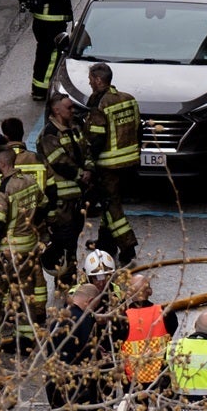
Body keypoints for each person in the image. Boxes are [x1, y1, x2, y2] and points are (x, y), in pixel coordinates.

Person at [45, 280, 119, 411]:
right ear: (88, 301)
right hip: (75, 384)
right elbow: (87, 352)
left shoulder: (59, 318)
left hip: (54, 382)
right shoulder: (84, 320)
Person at [0, 135, 48, 353]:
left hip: (7, 253)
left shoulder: (3, 190)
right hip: (28, 248)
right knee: (23, 293)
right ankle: (25, 340)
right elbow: (44, 205)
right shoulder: (29, 182)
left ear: (2, 163)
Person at [82, 61, 139, 263]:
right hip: (131, 163)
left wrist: (89, 165)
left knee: (112, 206)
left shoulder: (100, 105)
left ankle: (128, 246)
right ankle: (105, 243)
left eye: (90, 80)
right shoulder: (128, 99)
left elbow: (96, 140)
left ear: (98, 80)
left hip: (109, 166)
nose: (89, 84)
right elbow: (137, 130)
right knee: (108, 204)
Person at [37, 94, 91, 287]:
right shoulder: (49, 135)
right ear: (56, 110)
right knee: (64, 239)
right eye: (68, 108)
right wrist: (80, 174)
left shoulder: (75, 128)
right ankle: (65, 279)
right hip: (61, 198)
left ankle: (69, 275)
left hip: (76, 196)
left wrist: (89, 169)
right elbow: (59, 162)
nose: (72, 111)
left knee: (73, 238)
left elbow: (86, 150)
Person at [118, 272, 176, 388]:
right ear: (150, 291)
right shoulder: (165, 313)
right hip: (161, 379)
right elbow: (172, 330)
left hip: (134, 382)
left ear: (129, 294)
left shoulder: (123, 318)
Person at [23, 0, 71, 99]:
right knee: (52, 55)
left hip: (43, 19)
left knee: (43, 53)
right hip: (52, 20)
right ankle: (43, 90)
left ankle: (38, 88)